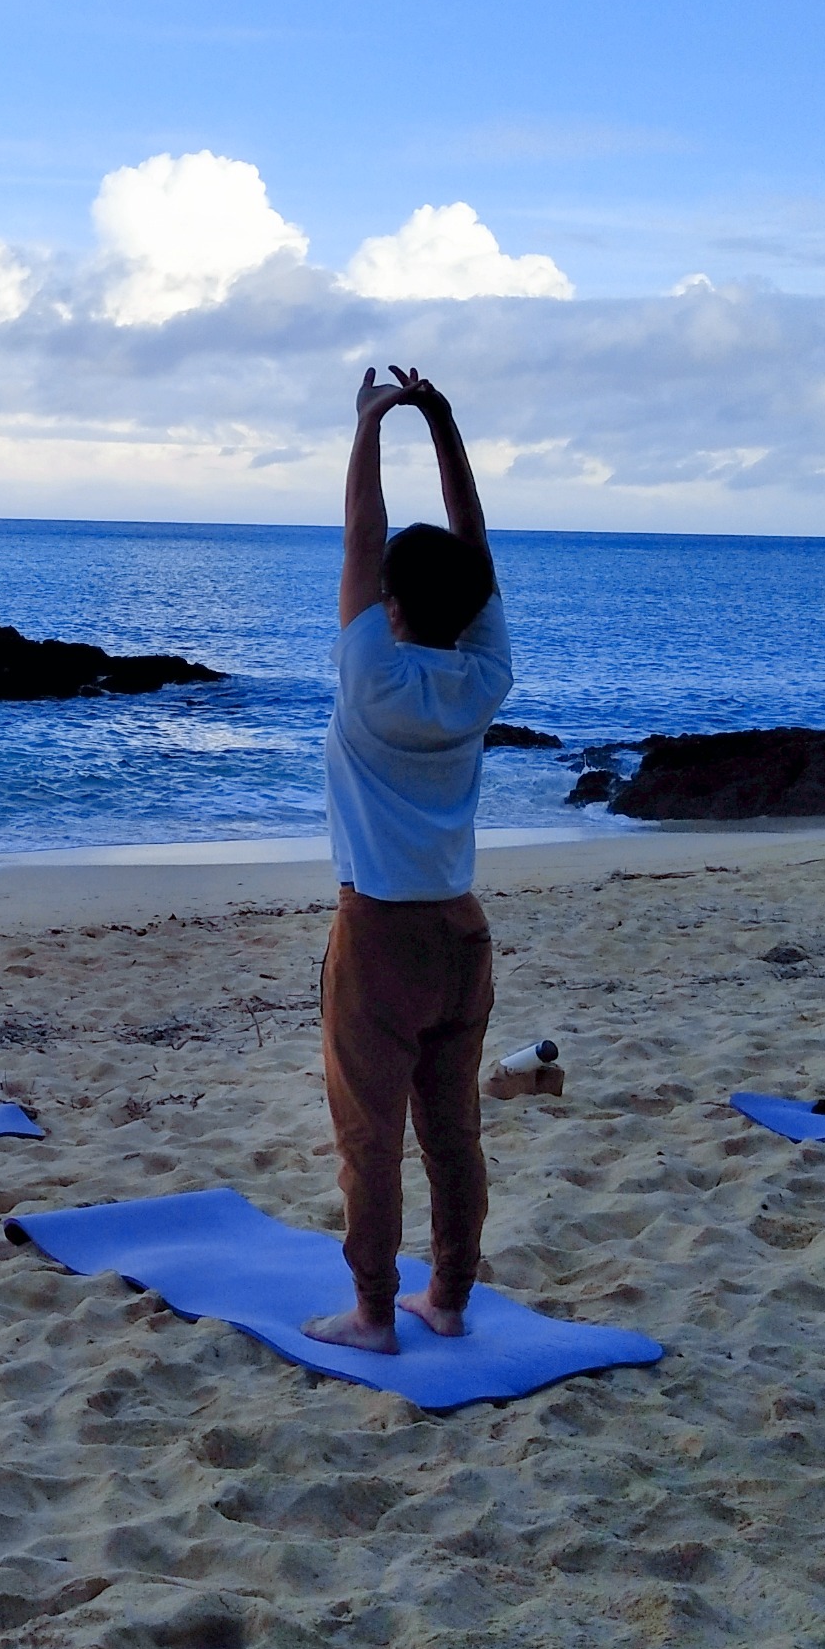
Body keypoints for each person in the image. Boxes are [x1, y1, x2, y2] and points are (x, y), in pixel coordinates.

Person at [302, 367, 514, 1354]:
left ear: (389, 603)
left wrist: (366, 428)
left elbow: (359, 531)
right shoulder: (481, 677)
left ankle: (377, 1313)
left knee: (370, 1139)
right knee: (452, 1130)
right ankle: (454, 1300)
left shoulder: (373, 675)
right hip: (462, 931)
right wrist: (444, 424)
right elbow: (471, 552)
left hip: (380, 932)